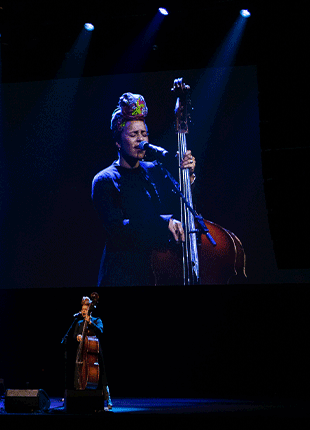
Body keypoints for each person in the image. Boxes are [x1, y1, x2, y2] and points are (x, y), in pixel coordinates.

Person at [92, 92, 196, 286]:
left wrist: (187, 176)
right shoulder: (104, 180)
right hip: (123, 276)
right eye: (133, 135)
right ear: (117, 141)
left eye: (144, 133)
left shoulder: (155, 169)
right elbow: (119, 229)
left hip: (158, 271)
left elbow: (179, 203)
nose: (141, 140)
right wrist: (163, 223)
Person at [62, 295, 111, 409]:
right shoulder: (79, 323)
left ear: (89, 309)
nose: (83, 311)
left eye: (86, 309)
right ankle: (79, 398)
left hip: (95, 351)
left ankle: (108, 399)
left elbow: (101, 331)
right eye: (82, 309)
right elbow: (74, 336)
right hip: (82, 353)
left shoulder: (96, 320)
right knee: (78, 375)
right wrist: (77, 337)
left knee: (102, 376)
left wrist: (90, 323)